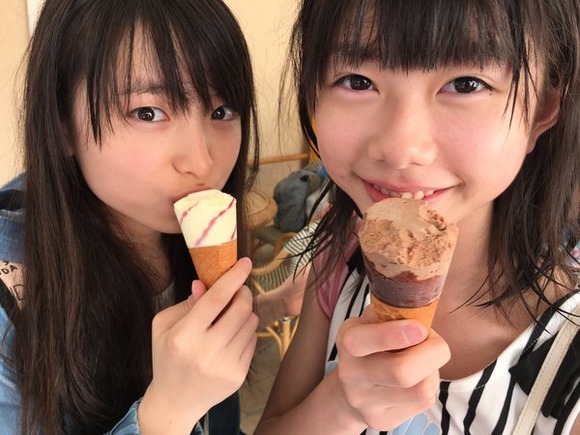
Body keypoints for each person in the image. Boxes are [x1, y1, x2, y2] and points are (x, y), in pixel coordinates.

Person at [255, 0, 580, 434]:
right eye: (357, 80)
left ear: (542, 108)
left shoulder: (567, 367)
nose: (400, 149)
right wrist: (340, 407)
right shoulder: (340, 257)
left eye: (466, 84)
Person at [0, 0, 279, 433]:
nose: (202, 162)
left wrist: (272, 305)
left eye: (221, 112)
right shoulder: (11, 289)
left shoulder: (190, 238)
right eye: (147, 112)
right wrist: (166, 414)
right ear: (61, 123)